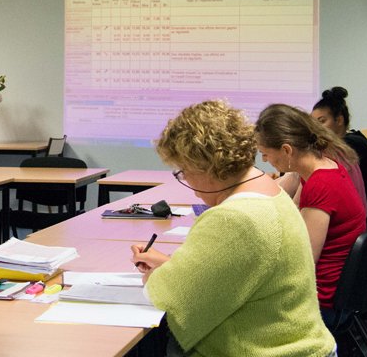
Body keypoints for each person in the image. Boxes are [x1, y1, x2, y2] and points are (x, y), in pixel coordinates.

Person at [131, 100, 335, 356]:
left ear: (204, 166)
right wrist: (175, 269)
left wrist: (155, 278)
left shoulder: (234, 218)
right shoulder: (271, 192)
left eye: (183, 171)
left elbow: (167, 298)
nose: (187, 181)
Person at [255, 103, 366, 329]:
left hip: (319, 304)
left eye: (265, 154)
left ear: (286, 150)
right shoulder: (324, 167)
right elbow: (290, 212)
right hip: (331, 298)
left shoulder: (321, 184)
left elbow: (302, 260)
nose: (265, 161)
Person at [312, 86, 367, 208]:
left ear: (339, 120)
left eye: (321, 121)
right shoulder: (355, 138)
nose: (316, 129)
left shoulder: (351, 144)